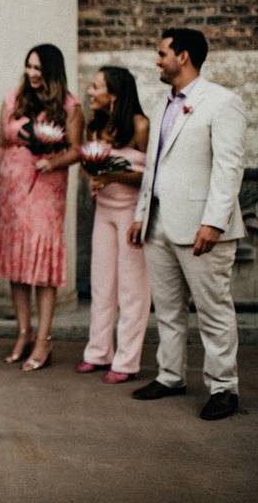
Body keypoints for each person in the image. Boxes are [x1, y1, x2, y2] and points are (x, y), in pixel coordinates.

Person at [127, 28, 246, 420]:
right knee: (167, 309)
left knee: (213, 309)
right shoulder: (163, 105)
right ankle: (170, 375)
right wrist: (141, 214)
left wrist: (214, 222)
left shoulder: (222, 102)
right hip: (159, 223)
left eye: (162, 53)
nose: (156, 60)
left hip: (201, 227)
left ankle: (224, 387)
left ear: (185, 56)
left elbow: (228, 169)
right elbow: (154, 166)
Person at [0, 44, 83, 371]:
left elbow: (76, 150)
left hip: (46, 190)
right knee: (17, 264)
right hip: (12, 191)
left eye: (38, 68)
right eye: (29, 67)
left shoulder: (70, 106)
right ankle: (23, 334)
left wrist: (51, 161)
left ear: (52, 71)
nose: (32, 74)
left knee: (41, 268)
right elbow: (0, 145)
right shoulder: (12, 100)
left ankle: (44, 339)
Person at [75, 67, 150, 384]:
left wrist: (111, 176)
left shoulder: (140, 125)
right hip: (103, 211)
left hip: (132, 214)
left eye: (96, 87)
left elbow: (149, 175)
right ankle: (97, 352)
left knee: (132, 288)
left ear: (115, 93)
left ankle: (127, 360)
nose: (90, 92)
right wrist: (93, 179)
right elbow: (90, 166)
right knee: (101, 284)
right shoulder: (96, 126)